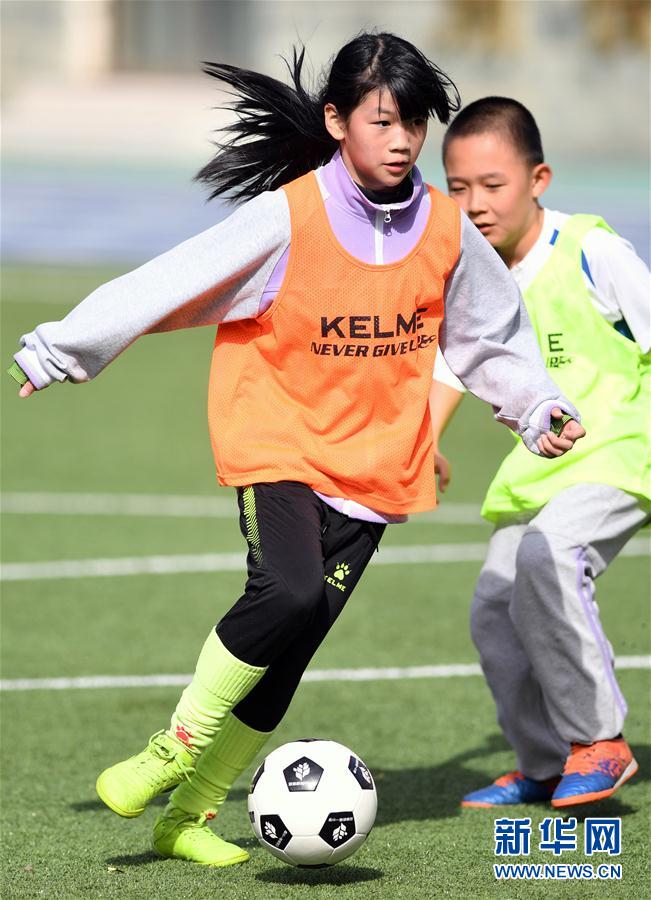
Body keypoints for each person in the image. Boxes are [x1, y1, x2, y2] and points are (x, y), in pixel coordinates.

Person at [9, 37, 583, 867]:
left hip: (374, 468)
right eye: (382, 122)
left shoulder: (446, 230)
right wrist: (64, 348)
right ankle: (173, 748)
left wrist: (536, 406)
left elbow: (489, 338)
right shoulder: (289, 215)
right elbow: (174, 278)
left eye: (413, 123)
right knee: (287, 590)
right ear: (337, 121)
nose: (401, 141)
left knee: (293, 643)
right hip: (277, 440)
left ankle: (189, 817)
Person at [436, 96, 649, 809]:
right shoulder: (474, 279)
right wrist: (425, 442)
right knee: (494, 609)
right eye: (458, 187)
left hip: (622, 452)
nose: (474, 204)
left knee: (549, 553)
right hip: (542, 471)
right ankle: (547, 761)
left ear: (538, 179)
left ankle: (599, 740)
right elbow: (448, 370)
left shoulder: (591, 250)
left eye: (491, 185)